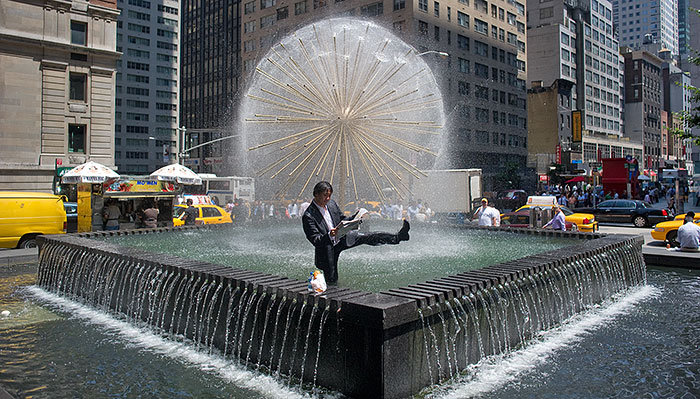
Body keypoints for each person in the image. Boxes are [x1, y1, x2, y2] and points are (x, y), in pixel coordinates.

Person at [301, 181, 410, 284]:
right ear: (316, 194)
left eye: (329, 195)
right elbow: (315, 240)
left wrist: (355, 217)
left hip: (342, 238)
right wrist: (330, 235)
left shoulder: (331, 204)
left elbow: (342, 219)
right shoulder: (309, 216)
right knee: (332, 279)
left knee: (368, 236)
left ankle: (398, 237)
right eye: (325, 195)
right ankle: (330, 299)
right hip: (327, 248)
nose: (328, 198)